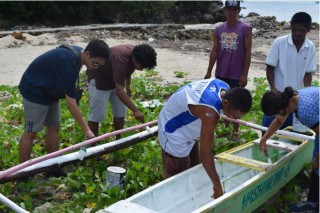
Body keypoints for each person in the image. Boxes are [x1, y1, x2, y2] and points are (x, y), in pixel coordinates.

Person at [18, 39, 110, 177]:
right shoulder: (67, 63)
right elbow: (71, 103)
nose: (96, 67)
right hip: (34, 90)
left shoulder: (79, 54)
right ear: (87, 54)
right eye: (95, 63)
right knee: (31, 132)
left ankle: (52, 167)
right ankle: (21, 174)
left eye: (100, 66)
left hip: (51, 92)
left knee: (54, 127)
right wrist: (87, 130)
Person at [158, 78, 252, 199]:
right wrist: (217, 185)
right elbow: (205, 153)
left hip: (185, 125)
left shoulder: (223, 86)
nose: (233, 118)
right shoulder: (210, 113)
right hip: (172, 131)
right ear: (226, 103)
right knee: (179, 178)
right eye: (233, 115)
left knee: (195, 169)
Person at [259, 87, 319, 212]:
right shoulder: (292, 97)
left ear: (281, 110)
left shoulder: (304, 112)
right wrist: (263, 140)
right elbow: (279, 121)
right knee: (316, 167)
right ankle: (312, 203)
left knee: (317, 165)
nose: (277, 116)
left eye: (276, 113)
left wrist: (318, 160)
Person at [204, 0, 252, 141]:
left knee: (236, 102)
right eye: (228, 9)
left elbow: (248, 51)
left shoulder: (245, 28)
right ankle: (225, 127)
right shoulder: (219, 29)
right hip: (221, 72)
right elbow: (215, 50)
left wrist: (245, 73)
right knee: (222, 101)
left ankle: (235, 131)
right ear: (224, 10)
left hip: (237, 73)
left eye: (234, 9)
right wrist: (209, 71)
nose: (231, 12)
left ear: (238, 11)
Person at [87, 43, 157, 139]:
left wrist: (128, 87)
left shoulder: (135, 53)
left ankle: (118, 140)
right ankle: (92, 144)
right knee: (97, 115)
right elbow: (119, 91)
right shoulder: (120, 59)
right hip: (99, 80)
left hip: (115, 81)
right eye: (142, 66)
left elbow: (127, 71)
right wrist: (135, 110)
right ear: (136, 60)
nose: (141, 69)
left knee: (120, 112)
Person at [261, 12, 316, 131]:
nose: (297, 33)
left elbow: (308, 73)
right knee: (268, 130)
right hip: (278, 96)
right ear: (290, 26)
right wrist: (274, 89)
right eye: (294, 29)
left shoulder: (310, 47)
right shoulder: (279, 43)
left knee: (292, 132)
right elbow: (270, 67)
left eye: (301, 30)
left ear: (308, 30)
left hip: (296, 99)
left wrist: (307, 94)